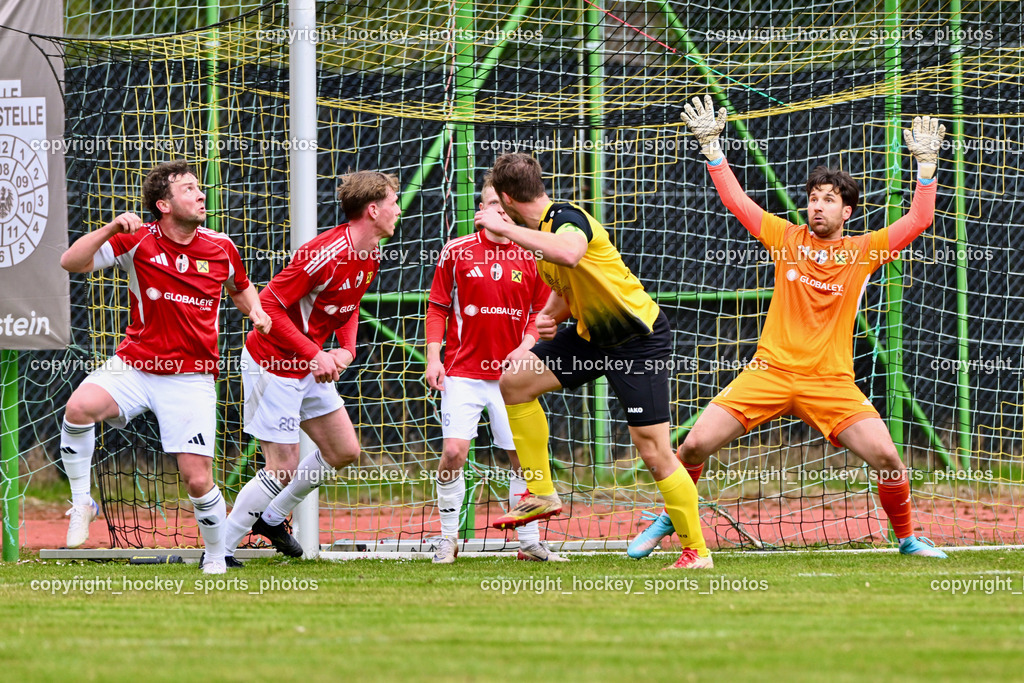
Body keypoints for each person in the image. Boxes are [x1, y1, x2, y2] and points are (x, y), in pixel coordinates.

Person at [628, 96, 948, 559]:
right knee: (694, 444)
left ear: (848, 213)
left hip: (830, 382)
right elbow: (736, 201)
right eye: (814, 198)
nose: (817, 207)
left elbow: (920, 219)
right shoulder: (785, 237)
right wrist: (713, 150)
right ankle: (669, 519)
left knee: (890, 460)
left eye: (829, 200)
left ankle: (908, 540)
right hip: (769, 373)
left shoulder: (864, 250)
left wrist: (926, 166)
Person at [474, 153, 712, 570]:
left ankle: (697, 552)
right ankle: (541, 493)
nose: (485, 213)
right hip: (590, 338)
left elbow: (569, 253)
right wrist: (548, 317)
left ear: (509, 201)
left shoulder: (566, 219)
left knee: (654, 451)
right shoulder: (538, 232)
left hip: (637, 340)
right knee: (515, 382)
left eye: (491, 204)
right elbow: (569, 285)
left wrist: (505, 229)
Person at [58, 159, 272, 574]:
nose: (200, 194)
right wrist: (111, 228)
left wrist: (257, 313)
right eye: (189, 189)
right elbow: (71, 262)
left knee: (196, 479)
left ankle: (214, 555)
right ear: (163, 205)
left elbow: (241, 288)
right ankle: (82, 501)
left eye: (199, 187)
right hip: (136, 366)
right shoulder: (137, 240)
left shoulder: (222, 245)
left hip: (190, 379)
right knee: (78, 408)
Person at [222, 170, 400, 563]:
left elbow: (349, 305)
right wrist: (314, 354)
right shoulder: (323, 253)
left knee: (344, 450)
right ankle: (218, 551)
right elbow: (265, 306)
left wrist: (346, 351)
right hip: (271, 363)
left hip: (306, 363)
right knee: (282, 466)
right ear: (373, 210)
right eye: (393, 203)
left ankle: (271, 518)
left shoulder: (371, 253)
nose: (398, 210)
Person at [425, 176, 566, 563]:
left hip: (511, 380)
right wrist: (433, 357)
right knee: (454, 452)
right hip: (461, 372)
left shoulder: (532, 255)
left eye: (505, 206)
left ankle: (530, 542)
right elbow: (437, 307)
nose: (500, 211)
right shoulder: (455, 252)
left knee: (522, 457)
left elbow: (542, 315)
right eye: (492, 204)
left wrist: (524, 347)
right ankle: (447, 540)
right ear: (480, 213)